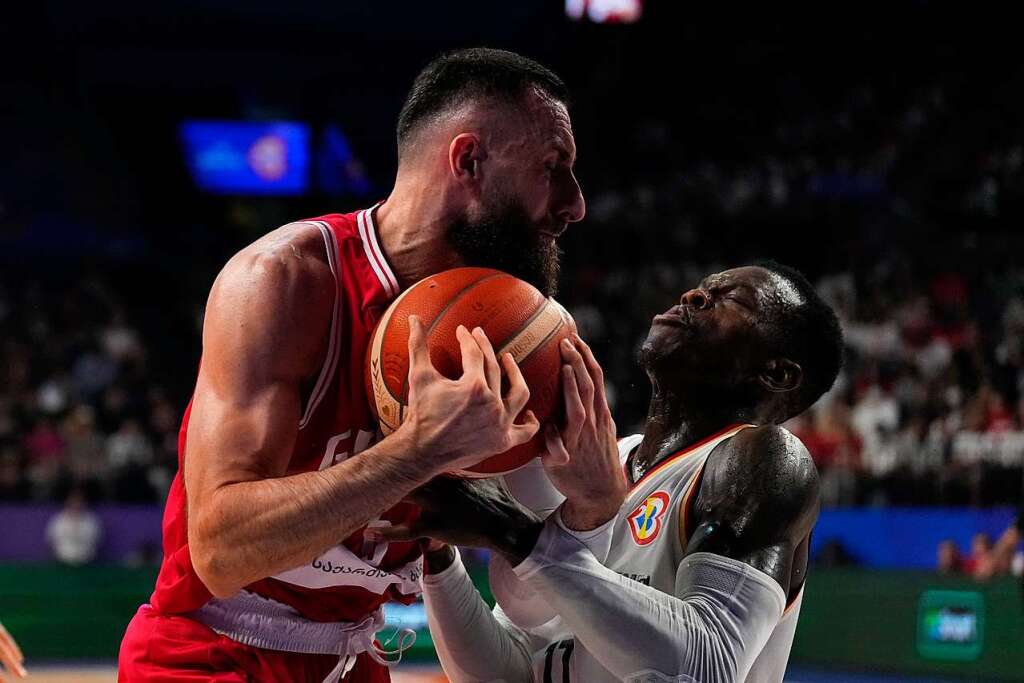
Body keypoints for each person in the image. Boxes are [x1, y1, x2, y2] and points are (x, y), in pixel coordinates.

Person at [118, 47, 585, 682]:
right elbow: (220, 550)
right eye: (554, 168)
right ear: (468, 160)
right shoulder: (287, 280)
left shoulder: (508, 330)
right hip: (213, 651)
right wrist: (417, 453)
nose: (575, 204)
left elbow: (539, 591)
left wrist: (592, 497)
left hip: (352, 657)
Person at [378, 263, 844, 682]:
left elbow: (709, 666)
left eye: (732, 300)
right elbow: (510, 669)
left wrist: (512, 533)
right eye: (703, 286)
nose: (695, 296)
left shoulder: (763, 459)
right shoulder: (597, 463)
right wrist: (438, 558)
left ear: (778, 374)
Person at [46, 489, 103, 566]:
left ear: (84, 503)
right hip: (62, 562)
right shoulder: (58, 520)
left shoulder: (92, 521)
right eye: (73, 502)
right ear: (68, 503)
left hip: (86, 563)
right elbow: (51, 539)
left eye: (79, 502)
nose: (76, 505)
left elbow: (96, 539)